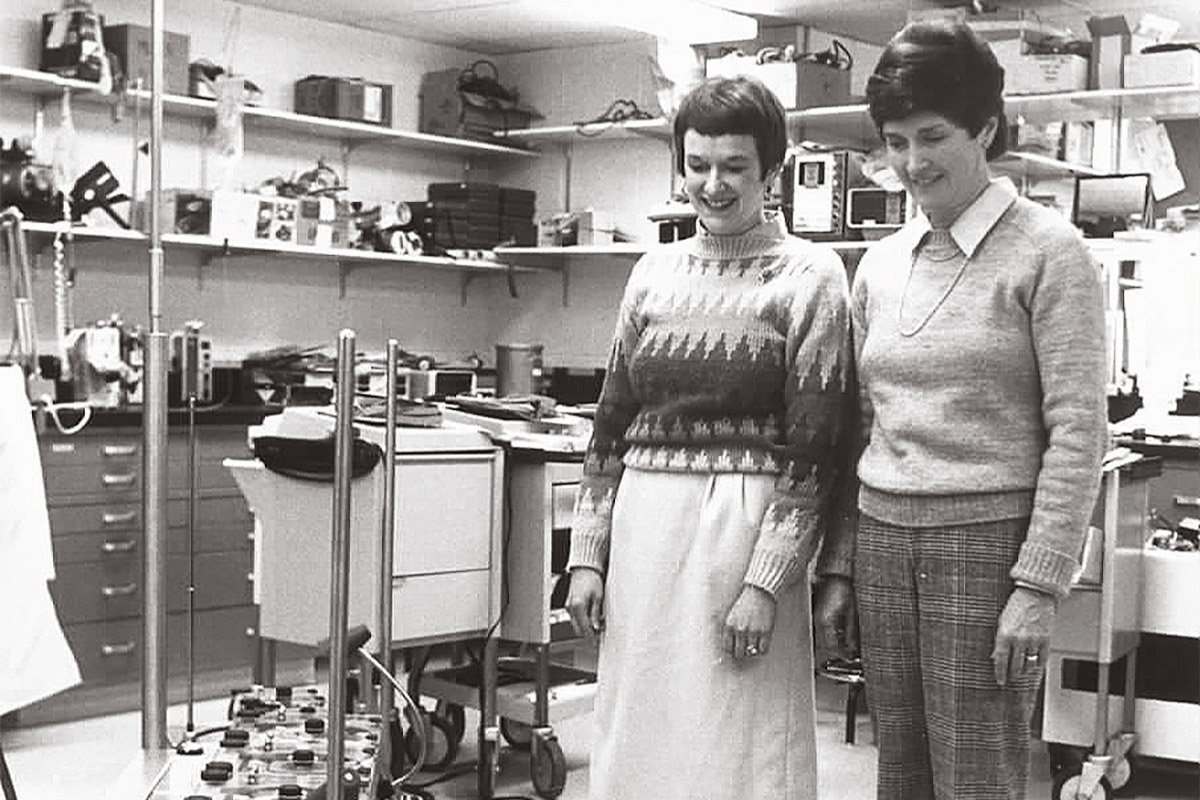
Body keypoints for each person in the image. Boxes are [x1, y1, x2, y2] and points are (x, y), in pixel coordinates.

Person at [564, 74, 855, 800]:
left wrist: (767, 582)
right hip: (645, 528)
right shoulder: (653, 273)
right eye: (697, 165)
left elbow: (815, 448)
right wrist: (587, 557)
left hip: (744, 529)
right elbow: (610, 425)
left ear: (771, 171)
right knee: (641, 718)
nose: (713, 185)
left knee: (741, 731)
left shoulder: (811, 276)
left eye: (734, 166)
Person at [849, 19, 1110, 800]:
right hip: (882, 541)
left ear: (987, 129)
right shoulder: (881, 263)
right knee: (899, 776)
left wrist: (1037, 588)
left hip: (987, 546)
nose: (912, 163)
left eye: (933, 138)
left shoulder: (1048, 251)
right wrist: (840, 563)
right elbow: (864, 421)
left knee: (977, 778)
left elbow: (1078, 434)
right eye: (895, 142)